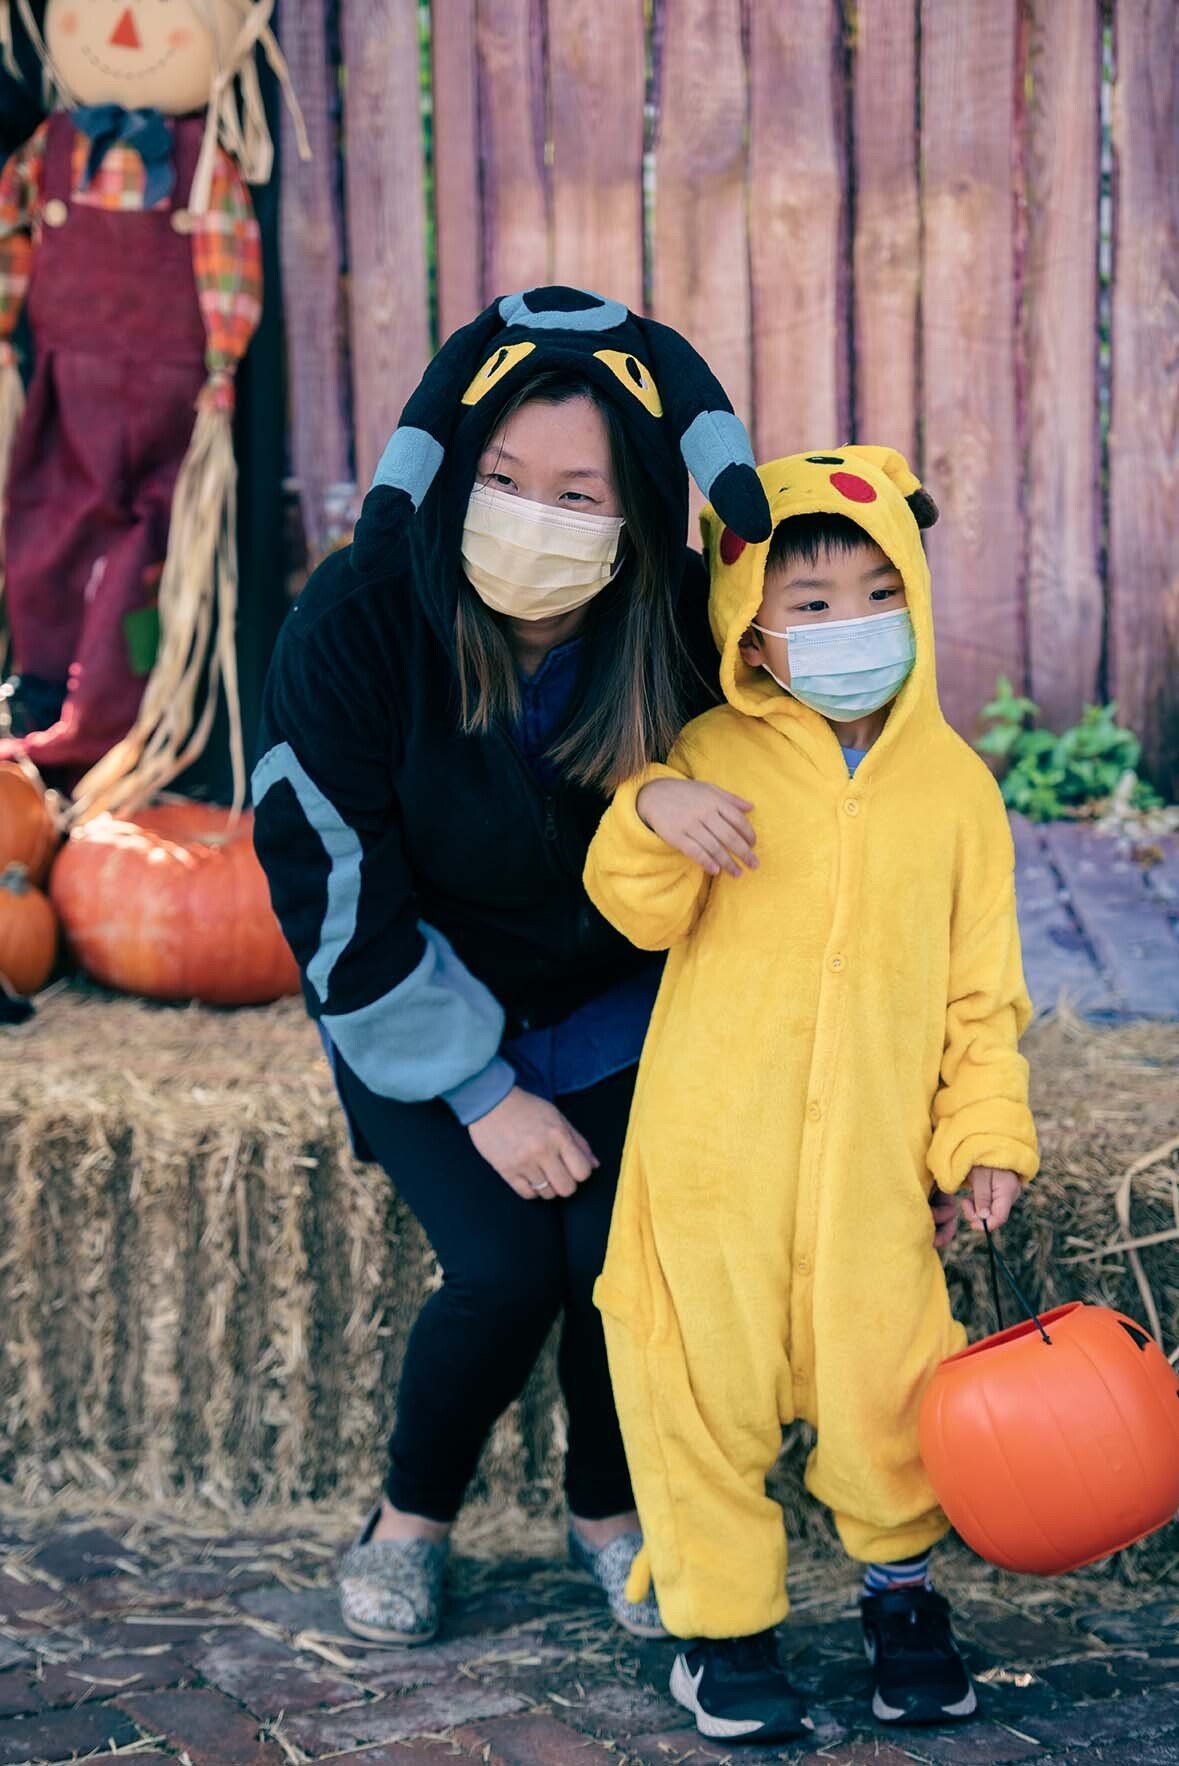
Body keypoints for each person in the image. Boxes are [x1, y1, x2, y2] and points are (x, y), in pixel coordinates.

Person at [251, 285, 774, 1645]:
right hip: (412, 996)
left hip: (615, 1000)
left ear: (639, 513)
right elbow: (327, 884)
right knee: (502, 1268)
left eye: (579, 495)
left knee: (620, 1255)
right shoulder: (359, 621)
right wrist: (482, 1093)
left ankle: (606, 1510)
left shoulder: (686, 634)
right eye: (502, 479)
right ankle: (410, 1516)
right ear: (452, 474)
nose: (534, 517)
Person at [583, 446, 1039, 1743]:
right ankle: (723, 1632)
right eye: (814, 603)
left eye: (878, 593)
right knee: (699, 1388)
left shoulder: (955, 789)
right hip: (711, 1166)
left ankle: (902, 1604)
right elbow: (632, 908)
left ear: (917, 600)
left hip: (873, 1176)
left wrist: (984, 1137)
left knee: (891, 1383)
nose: (852, 624)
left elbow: (981, 995)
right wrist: (654, 809)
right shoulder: (707, 753)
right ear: (753, 628)